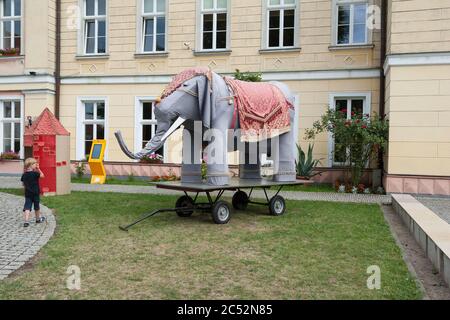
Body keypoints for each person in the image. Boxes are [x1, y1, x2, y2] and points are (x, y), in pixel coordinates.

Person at [21, 158, 45, 227]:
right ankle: (37, 219)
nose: (36, 165)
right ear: (31, 165)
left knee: (27, 207)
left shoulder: (24, 175)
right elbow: (43, 176)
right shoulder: (35, 173)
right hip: (35, 193)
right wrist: (39, 169)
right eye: (35, 164)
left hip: (28, 194)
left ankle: (26, 221)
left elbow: (23, 184)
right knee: (36, 206)